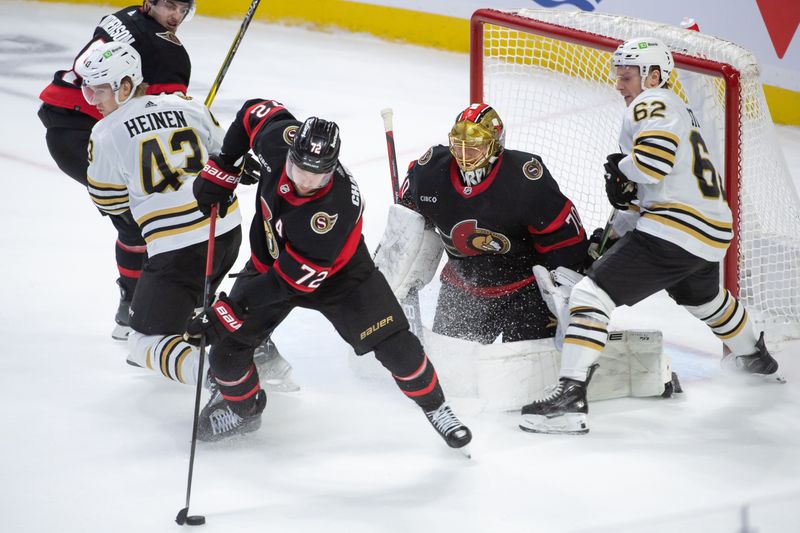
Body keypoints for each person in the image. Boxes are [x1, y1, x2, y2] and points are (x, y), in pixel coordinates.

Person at [520, 37, 784, 435]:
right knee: (705, 299)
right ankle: (755, 357)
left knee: (590, 296)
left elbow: (652, 165)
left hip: (674, 229)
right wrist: (611, 233)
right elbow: (646, 193)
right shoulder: (681, 113)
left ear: (654, 76)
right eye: (618, 76)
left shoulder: (653, 102)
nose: (619, 85)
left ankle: (570, 399)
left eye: (626, 76)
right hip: (711, 229)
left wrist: (623, 170)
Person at [185, 98, 473, 453]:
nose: (306, 181)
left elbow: (286, 284)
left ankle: (437, 407)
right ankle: (244, 411)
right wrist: (224, 165)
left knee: (399, 348)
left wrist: (228, 310)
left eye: (317, 174)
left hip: (341, 278)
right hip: (271, 266)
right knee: (225, 355)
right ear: (290, 151)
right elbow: (253, 112)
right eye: (300, 168)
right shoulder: (280, 144)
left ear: (332, 169)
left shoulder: (329, 214)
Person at [77, 41, 242, 386]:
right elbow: (229, 158)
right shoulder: (190, 105)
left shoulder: (105, 133)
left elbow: (110, 203)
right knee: (196, 311)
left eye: (99, 91)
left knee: (141, 342)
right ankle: (254, 349)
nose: (93, 101)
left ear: (125, 86)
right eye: (88, 91)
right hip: (226, 233)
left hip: (177, 250)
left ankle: (227, 379)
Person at [38, 0, 195, 340]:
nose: (176, 16)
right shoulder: (171, 54)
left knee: (137, 218)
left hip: (72, 124)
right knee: (140, 218)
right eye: (169, 5)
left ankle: (135, 306)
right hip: (85, 132)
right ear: (149, 2)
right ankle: (137, 308)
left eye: (183, 9)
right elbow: (160, 114)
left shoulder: (124, 15)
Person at [390, 103, 589, 344]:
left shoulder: (525, 179)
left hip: (525, 290)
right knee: (452, 369)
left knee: (530, 367)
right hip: (462, 287)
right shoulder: (429, 172)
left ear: (495, 145)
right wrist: (393, 268)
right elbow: (407, 223)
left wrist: (571, 292)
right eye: (459, 145)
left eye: (474, 147)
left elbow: (564, 240)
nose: (464, 155)